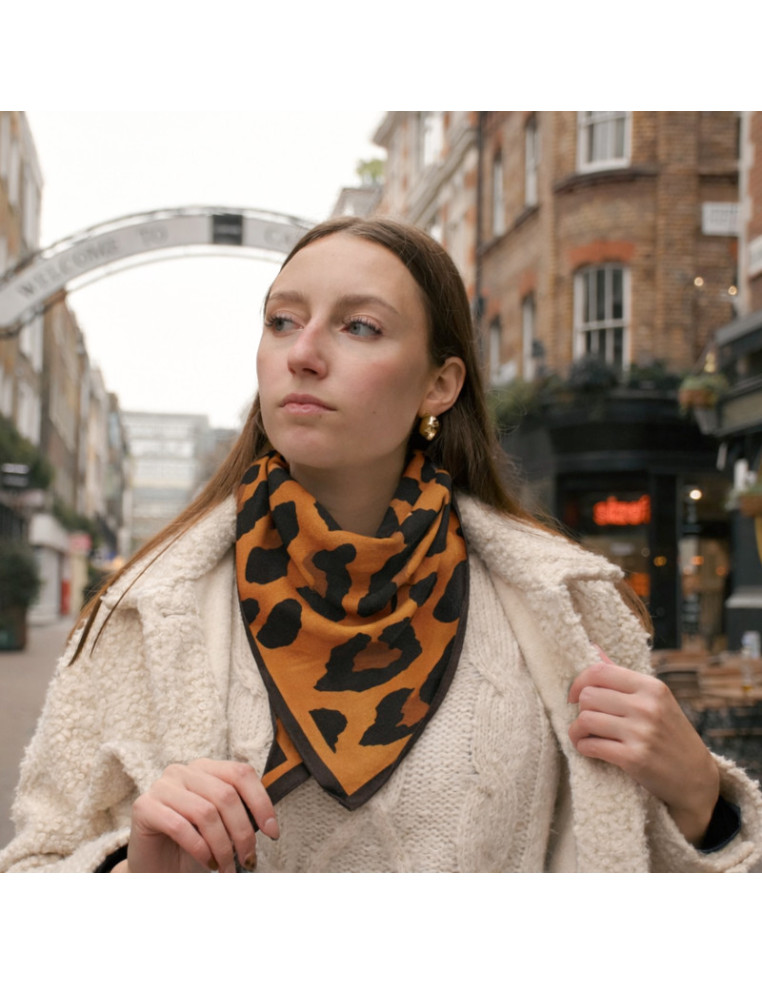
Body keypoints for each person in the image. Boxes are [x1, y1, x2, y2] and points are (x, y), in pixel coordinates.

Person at [2, 217, 761, 874]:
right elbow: (35, 865)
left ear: (440, 385)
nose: (303, 353)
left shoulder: (567, 614)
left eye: (359, 326)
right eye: (282, 321)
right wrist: (130, 875)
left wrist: (704, 803)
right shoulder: (140, 610)